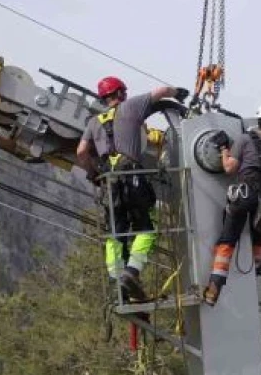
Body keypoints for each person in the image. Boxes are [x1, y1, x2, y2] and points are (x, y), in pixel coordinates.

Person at [76, 76, 188, 303]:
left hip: (109, 181)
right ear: (119, 94)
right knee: (146, 229)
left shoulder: (93, 122)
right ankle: (131, 273)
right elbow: (161, 91)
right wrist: (176, 93)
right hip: (131, 174)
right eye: (123, 93)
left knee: (115, 233)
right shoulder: (132, 106)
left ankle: (117, 283)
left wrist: (93, 173)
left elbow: (81, 152)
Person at [202, 101, 261, 306]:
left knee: (228, 240)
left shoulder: (244, 139)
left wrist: (224, 148)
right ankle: (257, 271)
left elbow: (229, 168)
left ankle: (214, 287)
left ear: (258, 119)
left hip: (244, 195)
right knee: (259, 239)